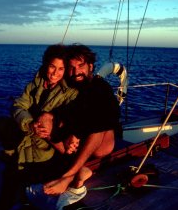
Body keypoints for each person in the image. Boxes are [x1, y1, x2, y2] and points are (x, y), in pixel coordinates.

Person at [0, 43, 90, 210]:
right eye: (52, 66)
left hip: (47, 149)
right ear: (45, 64)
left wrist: (49, 125)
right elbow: (19, 104)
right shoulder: (36, 83)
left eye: (61, 69)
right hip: (27, 139)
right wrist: (29, 123)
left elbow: (68, 118)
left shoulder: (69, 92)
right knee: (3, 127)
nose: (55, 73)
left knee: (15, 178)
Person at [41, 43, 121, 195]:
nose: (76, 71)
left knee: (99, 124)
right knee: (44, 120)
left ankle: (67, 176)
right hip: (75, 143)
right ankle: (80, 168)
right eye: (71, 67)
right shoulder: (69, 87)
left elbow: (111, 116)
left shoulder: (100, 86)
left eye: (81, 66)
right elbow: (64, 111)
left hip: (100, 143)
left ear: (90, 67)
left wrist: (76, 132)